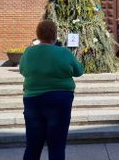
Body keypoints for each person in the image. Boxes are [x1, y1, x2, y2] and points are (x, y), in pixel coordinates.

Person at [19, 20, 84, 160]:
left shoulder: (29, 52)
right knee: (57, 146)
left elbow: (23, 70)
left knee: (32, 145)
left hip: (33, 100)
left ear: (38, 34)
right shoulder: (63, 52)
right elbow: (79, 71)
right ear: (54, 35)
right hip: (60, 100)